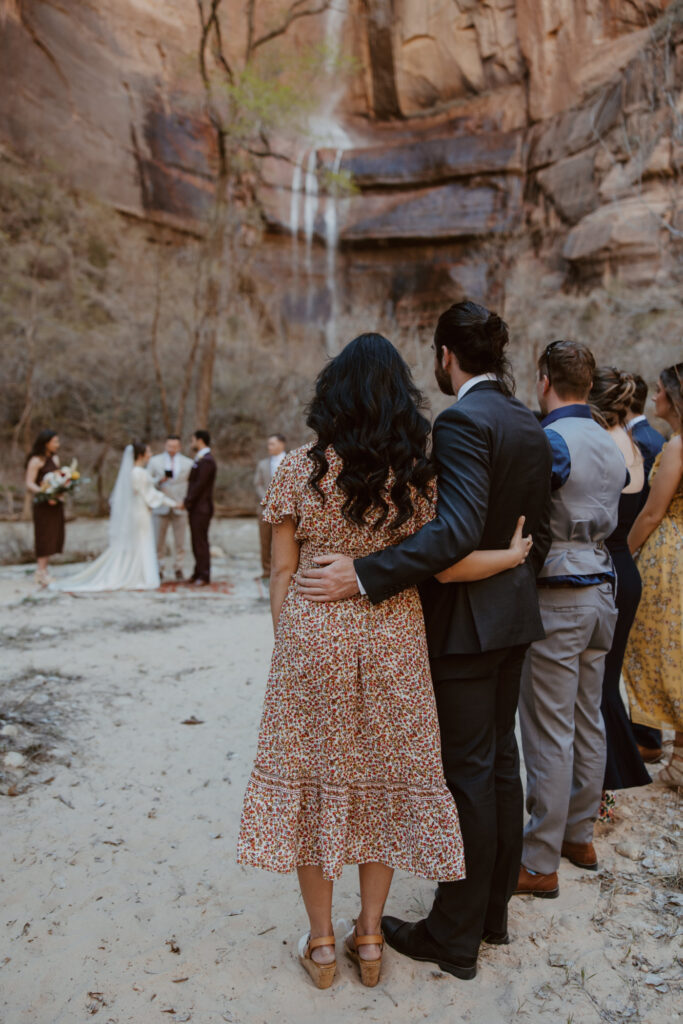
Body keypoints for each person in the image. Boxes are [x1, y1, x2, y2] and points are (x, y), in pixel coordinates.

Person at [238, 332, 537, 990]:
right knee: (383, 790)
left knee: (315, 792)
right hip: (394, 639)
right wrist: (512, 558)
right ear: (398, 400)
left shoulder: (295, 469)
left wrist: (288, 644)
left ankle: (321, 948)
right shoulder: (417, 477)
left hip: (312, 636)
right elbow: (449, 565)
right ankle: (369, 938)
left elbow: (280, 571)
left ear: (330, 397)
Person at [515, 341, 625, 898]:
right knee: (590, 716)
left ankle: (539, 860)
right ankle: (579, 835)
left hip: (559, 589)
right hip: (603, 585)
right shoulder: (610, 440)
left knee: (548, 727)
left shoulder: (551, 438)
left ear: (544, 381)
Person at [589, 368, 650, 820]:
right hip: (626, 570)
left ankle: (601, 790)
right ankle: (604, 786)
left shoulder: (602, 447)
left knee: (594, 688)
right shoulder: (631, 443)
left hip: (605, 568)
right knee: (606, 683)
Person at [623, 363, 683, 789]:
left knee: (662, 652)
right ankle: (680, 755)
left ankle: (678, 756)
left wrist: (622, 553)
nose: (654, 397)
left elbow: (651, 512)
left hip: (669, 554)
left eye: (660, 390)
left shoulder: (678, 445)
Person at [54, 442, 180, 592]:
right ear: (140, 455)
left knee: (140, 541)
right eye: (148, 452)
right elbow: (149, 494)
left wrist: (160, 486)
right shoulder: (138, 472)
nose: (150, 454)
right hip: (140, 512)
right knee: (141, 540)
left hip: (139, 510)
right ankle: (141, 575)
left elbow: (147, 488)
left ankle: (140, 573)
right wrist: (173, 503)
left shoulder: (136, 472)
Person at [625, 373, 666, 762]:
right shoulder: (659, 438)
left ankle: (648, 736)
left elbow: (650, 510)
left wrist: (625, 547)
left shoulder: (643, 442)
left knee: (645, 645)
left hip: (648, 549)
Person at [148, 435, 193, 581]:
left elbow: (191, 485)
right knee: (158, 540)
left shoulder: (188, 463)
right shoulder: (155, 462)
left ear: (179, 447)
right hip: (160, 506)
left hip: (180, 505)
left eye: (174, 447)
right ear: (165, 446)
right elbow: (147, 483)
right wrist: (159, 481)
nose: (171, 449)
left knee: (180, 540)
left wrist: (186, 501)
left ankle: (178, 567)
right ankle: (158, 567)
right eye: (169, 446)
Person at [25, 429, 65, 588]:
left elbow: (60, 478)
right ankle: (40, 571)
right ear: (46, 443)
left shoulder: (55, 458)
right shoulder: (36, 460)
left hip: (55, 504)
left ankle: (44, 569)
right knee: (44, 536)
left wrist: (60, 491)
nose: (58, 445)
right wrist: (45, 492)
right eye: (55, 441)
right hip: (42, 504)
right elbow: (29, 482)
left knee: (54, 535)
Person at [254, 434, 287, 583]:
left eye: (272, 444)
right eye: (268, 444)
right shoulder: (262, 464)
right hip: (264, 508)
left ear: (282, 444)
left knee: (285, 540)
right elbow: (258, 484)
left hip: (286, 508)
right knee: (265, 540)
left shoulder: (291, 461)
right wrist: (267, 499)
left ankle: (284, 568)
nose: (269, 447)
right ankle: (266, 571)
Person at [185, 430, 216, 587]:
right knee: (195, 541)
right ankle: (198, 571)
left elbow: (199, 486)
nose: (191, 443)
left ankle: (204, 575)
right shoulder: (201, 459)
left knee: (201, 542)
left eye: (193, 440)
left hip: (201, 508)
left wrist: (187, 501)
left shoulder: (207, 461)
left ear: (200, 440)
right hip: (196, 507)